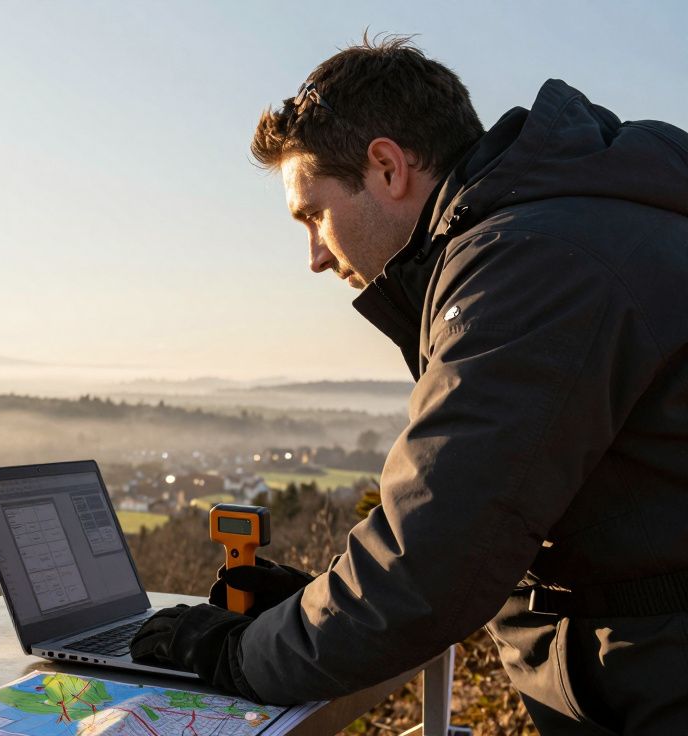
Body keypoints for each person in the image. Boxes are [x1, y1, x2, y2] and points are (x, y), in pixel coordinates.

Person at [129, 34, 688, 734]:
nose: (314, 256)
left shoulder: (528, 266)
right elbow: (489, 520)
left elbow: (435, 562)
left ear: (388, 167)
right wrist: (315, 608)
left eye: (313, 214)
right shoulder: (568, 224)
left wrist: (237, 653)